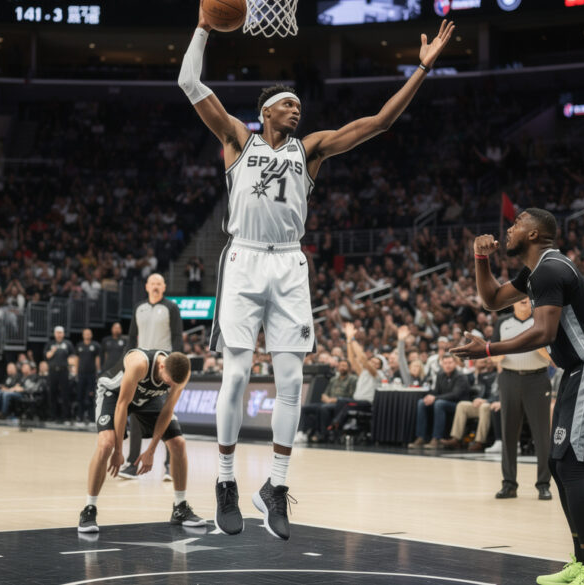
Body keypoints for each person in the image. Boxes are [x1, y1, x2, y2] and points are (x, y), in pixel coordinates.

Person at [179, 7, 455, 540]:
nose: (297, 111)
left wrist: (422, 68)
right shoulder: (237, 139)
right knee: (236, 375)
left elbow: (380, 122)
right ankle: (226, 481)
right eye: (288, 105)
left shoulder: (312, 150)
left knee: (290, 382)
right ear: (266, 111)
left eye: (300, 106)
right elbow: (189, 82)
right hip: (244, 259)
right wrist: (204, 29)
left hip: (288, 262)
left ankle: (276, 487)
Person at [453, 209, 584, 585]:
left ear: (534, 234)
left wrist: (488, 349)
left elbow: (544, 332)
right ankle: (583, 561)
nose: (509, 229)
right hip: (579, 368)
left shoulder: (550, 269)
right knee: (559, 464)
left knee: (571, 467)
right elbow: (492, 299)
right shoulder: (535, 272)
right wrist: (480, 258)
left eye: (517, 223)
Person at [78, 349, 204, 532]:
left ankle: (180, 507)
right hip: (114, 394)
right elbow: (122, 406)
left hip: (148, 399)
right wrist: (118, 451)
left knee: (178, 443)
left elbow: (167, 411)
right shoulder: (139, 364)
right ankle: (89, 509)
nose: (170, 386)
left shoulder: (183, 371)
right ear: (162, 366)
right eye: (168, 382)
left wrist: (151, 450)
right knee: (106, 444)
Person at [488, 297, 553, 500]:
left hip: (538, 379)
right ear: (512, 302)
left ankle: (543, 484)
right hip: (509, 379)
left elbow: (552, 356)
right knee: (508, 433)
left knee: (542, 435)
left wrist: (539, 347)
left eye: (527, 296)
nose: (523, 299)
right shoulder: (502, 322)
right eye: (519, 297)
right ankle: (509, 484)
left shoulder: (542, 320)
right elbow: (494, 355)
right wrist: (498, 353)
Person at [120, 273, 183, 480]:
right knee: (135, 414)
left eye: (159, 283)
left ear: (164, 287)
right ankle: (132, 464)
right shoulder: (139, 308)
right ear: (146, 286)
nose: (155, 286)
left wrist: (175, 367)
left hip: (163, 368)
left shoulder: (171, 307)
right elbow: (131, 337)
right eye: (152, 283)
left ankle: (169, 465)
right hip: (141, 366)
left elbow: (177, 337)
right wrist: (126, 363)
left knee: (166, 414)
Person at [408, 353, 469, 449]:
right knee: (422, 402)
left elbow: (455, 395)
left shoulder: (460, 376)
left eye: (450, 363)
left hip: (458, 404)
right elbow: (436, 392)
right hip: (443, 401)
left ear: (455, 363)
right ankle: (421, 437)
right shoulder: (440, 375)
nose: (448, 365)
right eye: (445, 363)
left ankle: (436, 438)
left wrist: (435, 398)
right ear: (442, 364)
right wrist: (430, 396)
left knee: (439, 404)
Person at [294, 358, 357, 443]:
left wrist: (334, 400)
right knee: (304, 408)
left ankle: (322, 434)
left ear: (349, 368)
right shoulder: (333, 379)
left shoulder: (353, 379)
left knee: (323, 408)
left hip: (341, 404)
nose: (342, 367)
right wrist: (327, 399)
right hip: (328, 402)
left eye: (345, 366)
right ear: (338, 367)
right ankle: (301, 433)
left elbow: (351, 396)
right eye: (341, 365)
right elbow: (325, 394)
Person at [45, 326, 76, 422]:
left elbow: (73, 356)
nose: (59, 334)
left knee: (65, 394)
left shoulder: (68, 344)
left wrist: (72, 367)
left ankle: (65, 416)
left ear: (63, 334)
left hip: (64, 371)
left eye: (60, 332)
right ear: (54, 334)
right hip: (53, 371)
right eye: (57, 332)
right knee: (52, 393)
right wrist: (53, 350)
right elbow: (47, 356)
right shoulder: (50, 344)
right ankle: (53, 415)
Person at [76, 329, 101, 423]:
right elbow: (77, 359)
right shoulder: (79, 345)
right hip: (81, 374)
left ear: (91, 335)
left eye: (89, 333)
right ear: (83, 335)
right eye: (85, 333)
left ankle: (91, 417)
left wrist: (98, 372)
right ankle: (80, 416)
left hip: (91, 374)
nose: (87, 335)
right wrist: (76, 371)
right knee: (80, 395)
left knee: (91, 395)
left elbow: (97, 359)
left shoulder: (95, 345)